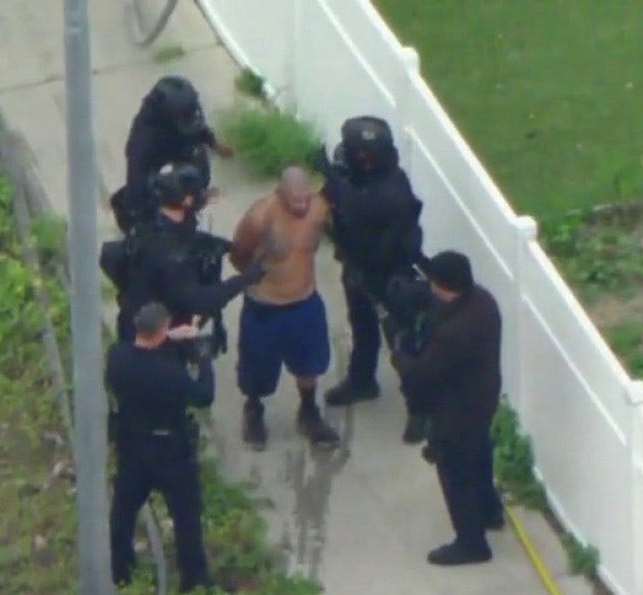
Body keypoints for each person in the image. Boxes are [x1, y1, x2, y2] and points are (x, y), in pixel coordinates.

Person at [316, 115, 430, 444]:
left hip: (389, 276)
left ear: (366, 157)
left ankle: (420, 408)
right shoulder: (364, 178)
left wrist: (332, 178)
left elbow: (357, 207)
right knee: (363, 328)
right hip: (360, 267)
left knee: (402, 343)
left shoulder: (391, 189)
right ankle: (362, 380)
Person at [390, 250, 507, 567]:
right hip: (483, 398)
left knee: (456, 472)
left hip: (457, 411)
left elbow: (421, 374)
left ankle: (471, 543)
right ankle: (490, 512)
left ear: (443, 286)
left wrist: (400, 356)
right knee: (480, 455)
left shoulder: (454, 334)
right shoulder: (484, 303)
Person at [229, 167, 340, 450]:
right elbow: (238, 255)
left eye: (306, 199)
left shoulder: (319, 207)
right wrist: (261, 281)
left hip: (304, 301)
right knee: (257, 370)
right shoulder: (260, 218)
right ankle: (253, 410)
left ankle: (308, 410)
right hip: (265, 306)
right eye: (295, 201)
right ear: (280, 194)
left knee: (310, 365)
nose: (302, 206)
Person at [107, 302, 215, 592]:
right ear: (164, 329)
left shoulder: (117, 358)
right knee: (185, 516)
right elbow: (204, 395)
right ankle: (194, 579)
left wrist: (168, 339)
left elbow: (140, 353)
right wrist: (202, 356)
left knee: (123, 512)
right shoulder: (172, 375)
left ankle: (120, 571)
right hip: (171, 451)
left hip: (132, 446)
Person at [107, 162, 265, 345]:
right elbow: (204, 301)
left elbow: (186, 234)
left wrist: (222, 245)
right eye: (199, 193)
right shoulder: (172, 257)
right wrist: (247, 278)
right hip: (154, 339)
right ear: (187, 201)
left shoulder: (149, 219)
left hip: (137, 313)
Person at [111, 75, 234, 234]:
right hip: (160, 171)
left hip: (184, 157)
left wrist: (214, 143)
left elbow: (198, 127)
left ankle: (193, 199)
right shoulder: (142, 143)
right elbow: (137, 185)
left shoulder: (187, 108)